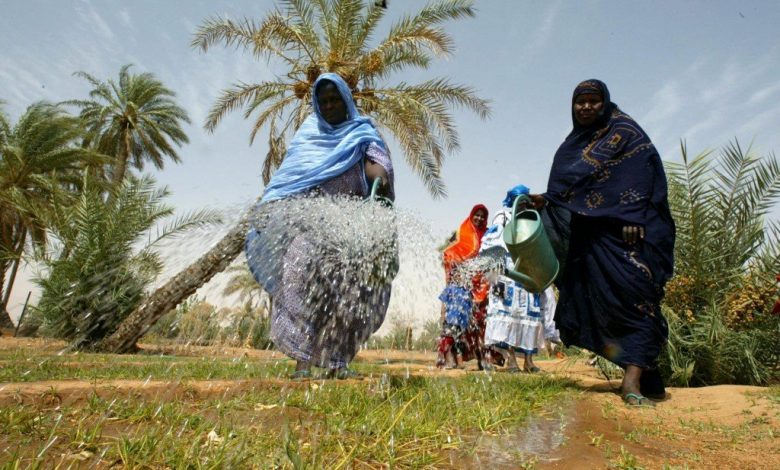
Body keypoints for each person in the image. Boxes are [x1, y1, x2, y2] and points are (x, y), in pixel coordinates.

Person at [532, 79, 675, 406]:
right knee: (601, 303)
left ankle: (633, 381)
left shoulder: (626, 132)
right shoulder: (573, 145)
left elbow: (644, 169)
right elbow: (568, 190)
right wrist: (546, 200)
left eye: (593, 101)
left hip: (629, 234)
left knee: (638, 298)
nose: (585, 107)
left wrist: (632, 215)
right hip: (592, 239)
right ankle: (643, 375)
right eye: (579, 102)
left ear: (605, 102)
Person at [245, 72, 396, 379]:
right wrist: (268, 208)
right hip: (308, 229)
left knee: (347, 296)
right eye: (323, 100)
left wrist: (379, 181)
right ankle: (302, 364)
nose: (329, 105)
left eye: (334, 99)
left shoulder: (361, 133)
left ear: (345, 100)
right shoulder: (307, 136)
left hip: (349, 230)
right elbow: (288, 179)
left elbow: (376, 168)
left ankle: (338, 364)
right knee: (298, 284)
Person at [480, 185, 555, 373]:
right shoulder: (503, 215)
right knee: (510, 314)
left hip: (529, 269)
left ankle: (529, 361)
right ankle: (512, 360)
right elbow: (493, 239)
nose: (523, 205)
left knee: (531, 314)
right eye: (519, 201)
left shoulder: (531, 217)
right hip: (509, 272)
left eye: (525, 202)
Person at [436, 204, 489, 368]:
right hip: (461, 288)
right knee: (454, 323)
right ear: (471, 215)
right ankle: (446, 358)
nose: (479, 218)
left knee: (479, 325)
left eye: (482, 216)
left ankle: (481, 360)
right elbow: (450, 253)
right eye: (477, 215)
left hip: (481, 288)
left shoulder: (487, 236)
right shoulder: (463, 234)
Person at [437, 270, 473, 369]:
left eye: (461, 276)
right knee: (448, 341)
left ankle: (460, 363)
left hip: (462, 322)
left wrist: (469, 321)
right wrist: (442, 315)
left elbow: (469, 308)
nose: (459, 277)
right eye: (457, 275)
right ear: (454, 277)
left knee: (459, 343)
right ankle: (449, 362)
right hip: (450, 319)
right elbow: (443, 303)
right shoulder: (450, 288)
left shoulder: (466, 291)